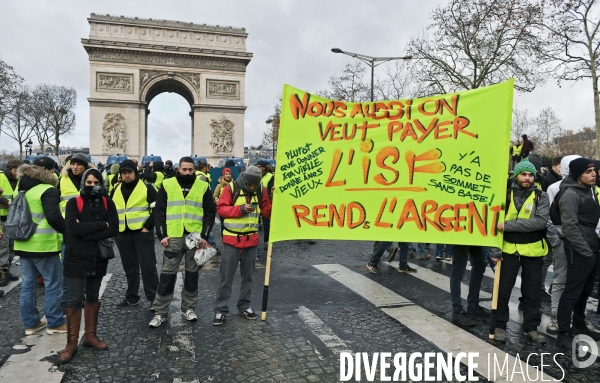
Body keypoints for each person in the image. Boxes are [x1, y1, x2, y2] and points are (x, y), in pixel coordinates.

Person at [59, 168, 118, 363]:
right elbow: (72, 228)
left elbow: (115, 229)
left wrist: (86, 233)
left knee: (93, 297)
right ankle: (72, 343)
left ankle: (90, 336)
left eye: (96, 182)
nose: (92, 186)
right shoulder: (72, 202)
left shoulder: (107, 202)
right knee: (74, 299)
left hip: (97, 257)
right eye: (89, 182)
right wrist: (102, 225)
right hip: (75, 257)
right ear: (83, 182)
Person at [149, 157, 215, 328]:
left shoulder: (203, 185)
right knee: (167, 276)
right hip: (173, 235)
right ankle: (160, 311)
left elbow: (210, 213)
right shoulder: (167, 183)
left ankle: (189, 308)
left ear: (194, 170)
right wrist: (161, 234)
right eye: (184, 169)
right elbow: (159, 211)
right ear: (178, 169)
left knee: (192, 276)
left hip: (195, 236)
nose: (187, 172)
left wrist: (205, 236)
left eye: (190, 170)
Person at [490, 158, 549, 343]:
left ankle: (531, 327)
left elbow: (539, 222)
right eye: (524, 174)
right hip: (508, 249)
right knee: (503, 291)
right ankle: (500, 325)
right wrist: (494, 250)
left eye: (531, 175)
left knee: (532, 292)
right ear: (516, 176)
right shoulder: (505, 195)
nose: (528, 178)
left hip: (533, 250)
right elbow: (494, 224)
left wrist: (509, 225)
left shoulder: (542, 196)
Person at [213, 166, 272, 326]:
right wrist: (239, 209)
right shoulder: (230, 187)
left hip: (251, 240)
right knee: (226, 278)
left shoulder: (261, 189)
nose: (252, 187)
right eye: (249, 184)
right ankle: (220, 310)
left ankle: (244, 306)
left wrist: (273, 198)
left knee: (248, 278)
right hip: (232, 240)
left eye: (254, 185)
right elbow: (221, 210)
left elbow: (266, 213)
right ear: (244, 179)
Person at [13, 162, 66, 336]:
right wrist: (68, 231)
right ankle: (55, 322)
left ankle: (31, 323)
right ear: (50, 172)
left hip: (22, 243)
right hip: (43, 244)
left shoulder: (20, 189)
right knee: (53, 283)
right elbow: (53, 217)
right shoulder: (47, 189)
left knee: (28, 285)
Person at [556, 158, 600, 348]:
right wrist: (586, 252)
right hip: (580, 251)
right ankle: (563, 331)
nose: (593, 174)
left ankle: (579, 324)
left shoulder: (587, 190)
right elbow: (570, 227)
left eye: (593, 170)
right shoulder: (571, 194)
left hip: (592, 248)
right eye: (588, 171)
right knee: (572, 292)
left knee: (586, 290)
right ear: (577, 175)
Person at [110, 160, 159, 309]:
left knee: (148, 267)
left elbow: (158, 209)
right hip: (122, 234)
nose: (126, 175)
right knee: (129, 268)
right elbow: (112, 211)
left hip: (142, 233)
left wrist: (147, 226)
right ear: (120, 174)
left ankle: (154, 299)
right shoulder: (115, 189)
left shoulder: (147, 187)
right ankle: (132, 297)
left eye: (129, 172)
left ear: (135, 173)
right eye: (124, 173)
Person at [545, 155, 581, 334]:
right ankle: (555, 317)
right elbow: (550, 216)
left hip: (582, 242)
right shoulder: (554, 188)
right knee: (560, 278)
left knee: (579, 281)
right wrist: (557, 240)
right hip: (562, 241)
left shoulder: (589, 189)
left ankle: (577, 317)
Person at [450, 245, 489, 327]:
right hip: (461, 237)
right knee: (458, 271)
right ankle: (457, 311)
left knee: (480, 266)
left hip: (474, 236)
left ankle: (473, 306)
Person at [0, 159, 23, 286]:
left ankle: (6, 270)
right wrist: (5, 202)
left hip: (12, 219)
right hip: (1, 219)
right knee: (3, 248)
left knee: (10, 248)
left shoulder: (18, 180)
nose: (18, 172)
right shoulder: (0, 177)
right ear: (10, 169)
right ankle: (2, 272)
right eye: (16, 169)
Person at [256, 160, 274, 251]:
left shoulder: (270, 176)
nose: (258, 168)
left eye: (260, 166)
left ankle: (267, 242)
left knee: (266, 223)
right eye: (257, 166)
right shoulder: (255, 175)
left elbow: (272, 189)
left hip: (265, 202)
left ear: (264, 167)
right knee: (254, 223)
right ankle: (255, 243)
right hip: (255, 201)